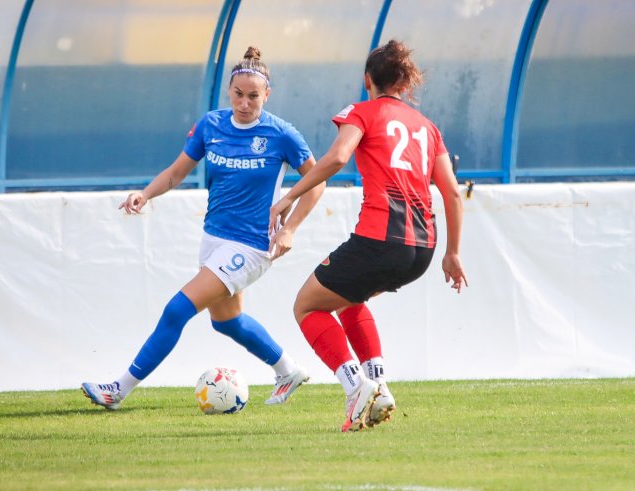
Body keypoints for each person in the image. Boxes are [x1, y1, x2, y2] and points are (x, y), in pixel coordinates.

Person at [82, 47, 325, 410]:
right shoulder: (211, 124)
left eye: (254, 96)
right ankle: (288, 370)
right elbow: (177, 173)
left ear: (267, 95)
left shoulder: (281, 134)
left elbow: (317, 182)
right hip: (214, 239)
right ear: (229, 91)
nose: (245, 103)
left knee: (176, 310)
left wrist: (289, 228)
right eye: (239, 94)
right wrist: (145, 194)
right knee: (227, 321)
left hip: (252, 245)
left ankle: (118, 389)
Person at [269, 40, 468, 432]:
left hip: (380, 239)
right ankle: (377, 384)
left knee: (307, 306)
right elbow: (452, 192)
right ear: (404, 84)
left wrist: (290, 195)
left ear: (367, 80)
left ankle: (356, 387)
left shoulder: (360, 112)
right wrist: (453, 253)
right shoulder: (428, 128)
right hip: (423, 250)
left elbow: (340, 156)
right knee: (348, 298)